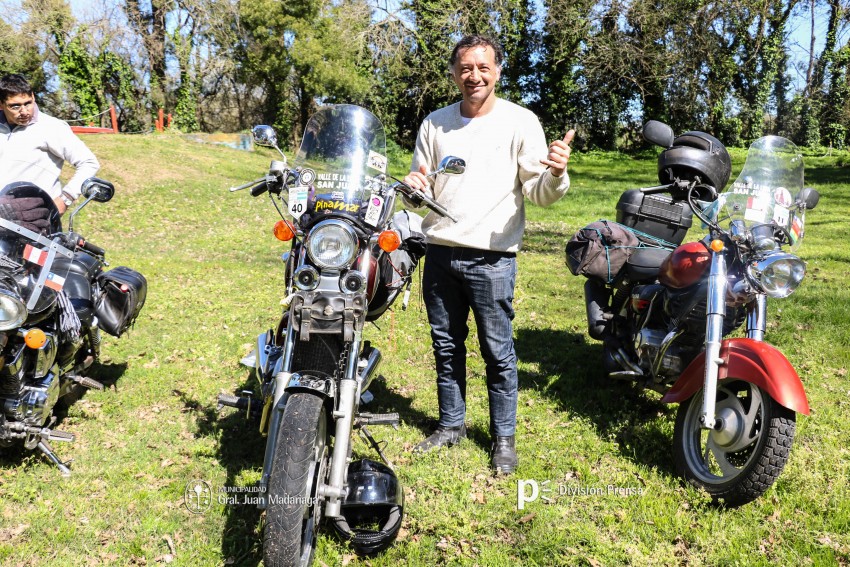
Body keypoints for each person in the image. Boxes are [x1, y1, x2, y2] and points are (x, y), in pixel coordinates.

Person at [403, 35, 574, 473]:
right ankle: (451, 425)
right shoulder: (435, 124)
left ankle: (503, 440)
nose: (473, 76)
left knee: (498, 352)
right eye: (465, 68)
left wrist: (556, 173)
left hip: (493, 260)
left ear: (497, 71)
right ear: (454, 73)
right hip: (439, 254)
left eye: (483, 67)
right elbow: (419, 191)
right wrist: (414, 189)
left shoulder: (520, 123)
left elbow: (541, 194)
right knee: (446, 347)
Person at [0, 73, 100, 216]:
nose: (24, 111)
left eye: (28, 103)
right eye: (15, 106)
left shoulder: (51, 127)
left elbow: (89, 162)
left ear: (33, 96)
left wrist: (66, 199)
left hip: (35, 221)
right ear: (1, 104)